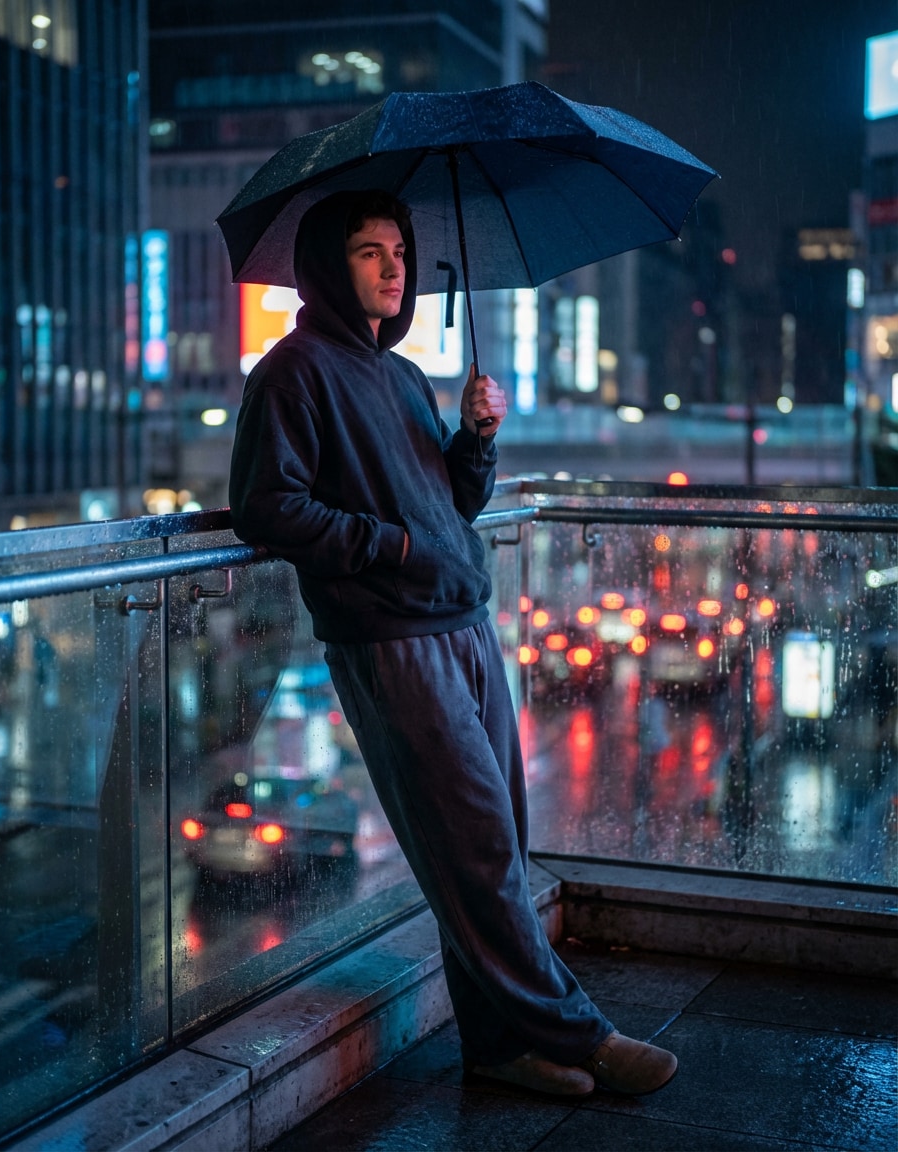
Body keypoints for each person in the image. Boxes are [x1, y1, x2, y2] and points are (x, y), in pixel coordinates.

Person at [228, 188, 677, 1098]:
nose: (394, 269)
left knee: (494, 843)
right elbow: (266, 508)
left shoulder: (402, 375)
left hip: (463, 623)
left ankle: (498, 1048)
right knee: (473, 846)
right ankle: (581, 1034)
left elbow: (450, 507)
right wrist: (387, 546)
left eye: (400, 252)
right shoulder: (291, 373)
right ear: (328, 266)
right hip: (391, 639)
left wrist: (475, 441)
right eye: (370, 252)